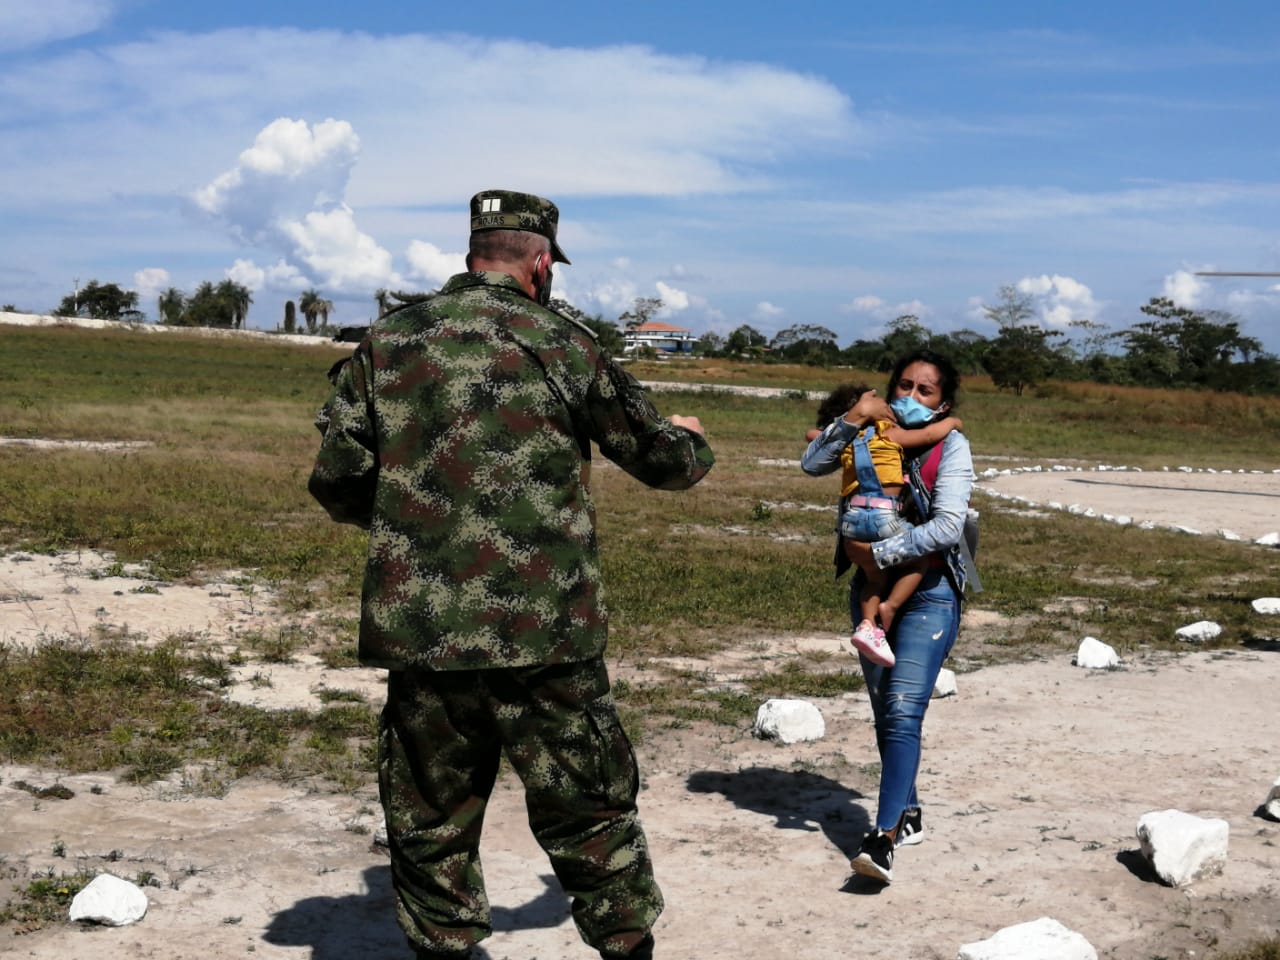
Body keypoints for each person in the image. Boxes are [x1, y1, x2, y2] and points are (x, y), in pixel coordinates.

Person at [308, 189, 714, 960]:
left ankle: (443, 944)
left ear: (472, 255)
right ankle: (626, 945)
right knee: (590, 808)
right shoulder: (564, 342)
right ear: (540, 263)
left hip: (425, 632)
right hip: (546, 634)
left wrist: (415, 523)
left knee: (431, 816)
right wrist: (690, 437)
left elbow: (338, 479)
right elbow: (663, 462)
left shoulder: (389, 341)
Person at [800, 350, 974, 886]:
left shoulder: (949, 444)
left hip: (931, 592)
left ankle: (881, 838)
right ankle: (908, 809)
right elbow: (812, 464)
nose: (910, 396)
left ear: (942, 403)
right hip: (869, 590)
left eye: (925, 390)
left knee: (901, 710)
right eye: (903, 385)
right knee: (885, 711)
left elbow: (947, 526)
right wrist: (853, 417)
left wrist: (881, 554)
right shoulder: (865, 430)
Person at [804, 384, 962, 665]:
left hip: (852, 520)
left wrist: (852, 419)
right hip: (884, 515)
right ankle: (891, 606)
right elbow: (929, 434)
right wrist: (952, 422)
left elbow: (812, 435)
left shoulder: (846, 440)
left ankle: (868, 625)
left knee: (874, 577)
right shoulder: (890, 433)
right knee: (918, 561)